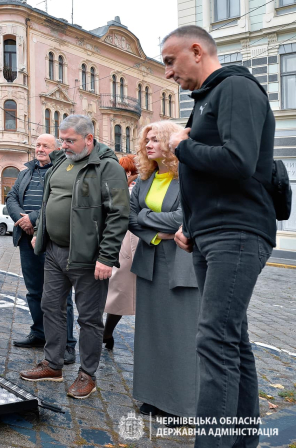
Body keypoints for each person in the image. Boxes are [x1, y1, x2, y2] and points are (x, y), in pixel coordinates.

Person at [162, 25, 276, 446]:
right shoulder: (208, 99)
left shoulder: (237, 89)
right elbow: (207, 177)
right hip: (212, 232)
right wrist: (191, 225)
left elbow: (239, 161)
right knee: (232, 341)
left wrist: (181, 145)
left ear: (197, 50)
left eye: (170, 62)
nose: (169, 74)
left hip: (238, 231)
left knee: (214, 340)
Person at [19, 115, 129, 399]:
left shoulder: (108, 167)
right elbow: (48, 201)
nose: (64, 145)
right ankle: (53, 364)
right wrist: (41, 232)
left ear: (89, 139)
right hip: (54, 251)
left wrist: (107, 256)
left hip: (89, 257)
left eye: (70, 140)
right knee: (51, 307)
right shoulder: (61, 161)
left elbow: (118, 215)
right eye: (62, 139)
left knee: (89, 319)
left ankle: (87, 375)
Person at [128, 122, 199, 422]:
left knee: (181, 338)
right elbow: (130, 217)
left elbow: (185, 216)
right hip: (150, 262)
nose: (149, 145)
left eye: (156, 139)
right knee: (151, 336)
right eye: (146, 141)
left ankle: (182, 406)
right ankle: (153, 397)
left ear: (171, 142)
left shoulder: (188, 176)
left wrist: (148, 218)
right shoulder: (144, 179)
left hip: (182, 267)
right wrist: (156, 230)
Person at [6, 134, 77, 364]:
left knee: (60, 295)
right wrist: (21, 219)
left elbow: (60, 201)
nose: (40, 149)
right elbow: (11, 197)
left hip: (53, 238)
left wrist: (34, 219)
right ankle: (40, 333)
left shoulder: (63, 171)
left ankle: (66, 344)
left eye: (45, 146)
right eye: (37, 145)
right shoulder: (26, 171)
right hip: (26, 240)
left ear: (56, 149)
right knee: (34, 290)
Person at [102, 155, 139, 351]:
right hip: (122, 239)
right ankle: (106, 332)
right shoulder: (120, 184)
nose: (129, 174)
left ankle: (107, 333)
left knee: (129, 290)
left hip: (140, 239)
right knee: (118, 289)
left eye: (130, 170)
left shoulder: (142, 184)